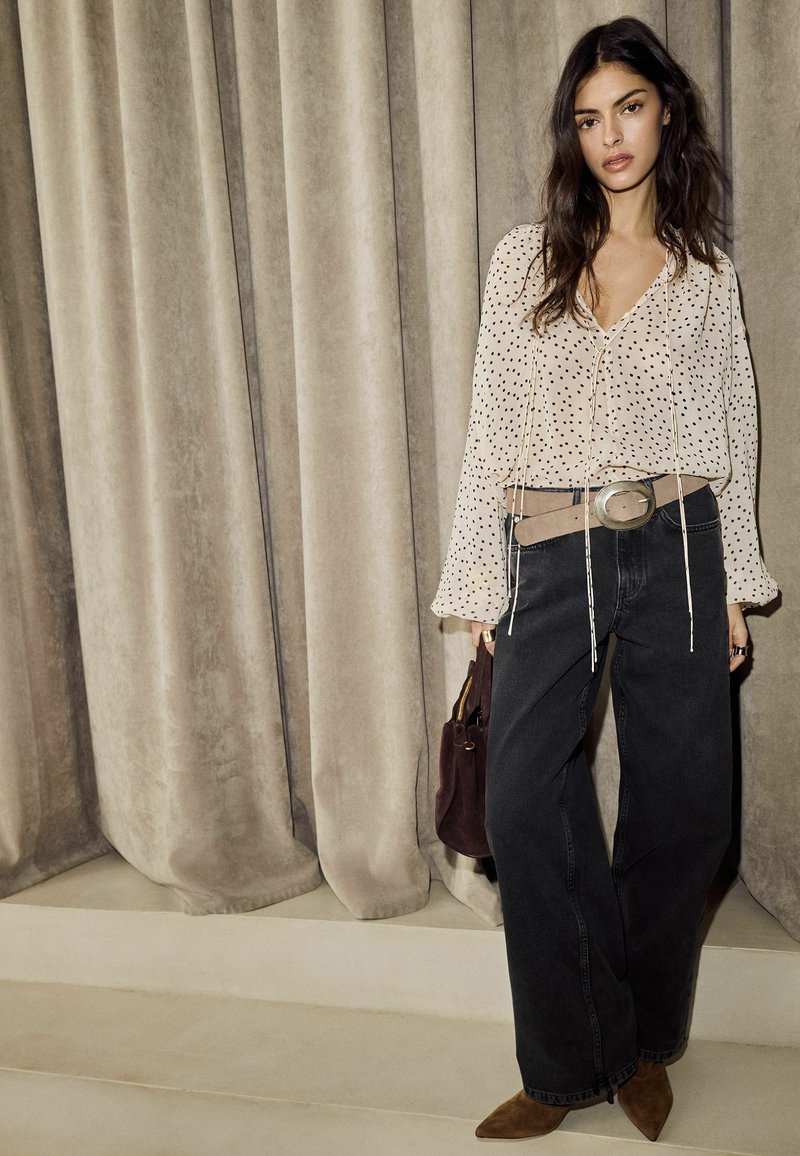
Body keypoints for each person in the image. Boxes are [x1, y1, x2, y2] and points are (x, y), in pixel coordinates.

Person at [430, 15, 779, 1144]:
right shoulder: (522, 260)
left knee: (685, 809)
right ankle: (567, 1057)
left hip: (679, 540)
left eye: (628, 108)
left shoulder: (705, 275)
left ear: (664, 113)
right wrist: (482, 582)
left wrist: (733, 581)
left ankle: (641, 1045)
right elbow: (488, 430)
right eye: (588, 119)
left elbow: (733, 431)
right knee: (524, 801)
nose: (610, 136)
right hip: (552, 544)